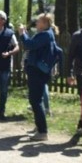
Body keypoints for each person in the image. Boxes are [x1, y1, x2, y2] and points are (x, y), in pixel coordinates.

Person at [19, 13, 59, 141]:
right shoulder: (46, 34)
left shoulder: (46, 35)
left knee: (35, 100)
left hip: (37, 72)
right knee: (37, 99)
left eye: (39, 22)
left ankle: (42, 131)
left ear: (45, 24)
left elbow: (29, 45)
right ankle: (39, 126)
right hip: (38, 71)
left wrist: (22, 33)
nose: (36, 23)